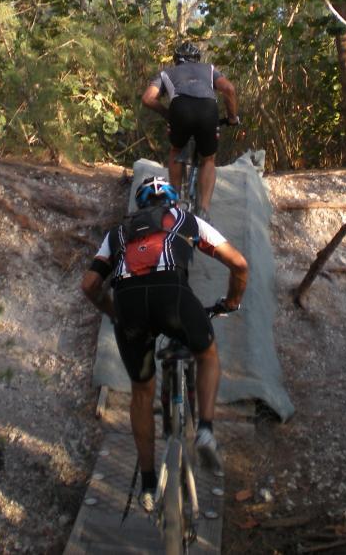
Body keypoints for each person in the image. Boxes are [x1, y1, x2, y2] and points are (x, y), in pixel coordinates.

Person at [80, 176, 248, 512]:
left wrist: (114, 313)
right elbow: (239, 263)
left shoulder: (118, 233)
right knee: (207, 354)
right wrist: (231, 301)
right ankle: (205, 429)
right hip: (173, 297)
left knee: (142, 391)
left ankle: (146, 483)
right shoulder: (188, 220)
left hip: (129, 306)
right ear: (173, 202)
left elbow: (89, 285)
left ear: (140, 206)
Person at [141, 41, 239, 222]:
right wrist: (232, 117)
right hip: (208, 110)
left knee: (176, 150)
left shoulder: (166, 73)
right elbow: (229, 89)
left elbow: (147, 98)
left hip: (180, 109)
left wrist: (168, 114)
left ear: (177, 60)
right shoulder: (209, 69)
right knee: (209, 159)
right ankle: (204, 210)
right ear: (197, 59)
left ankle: (174, 201)